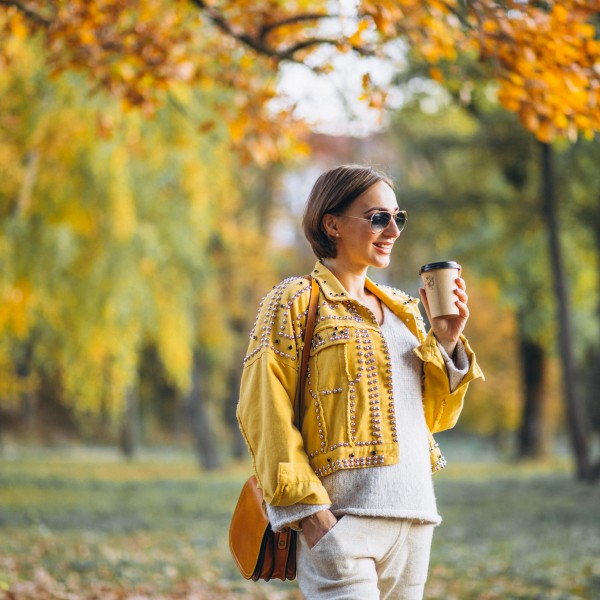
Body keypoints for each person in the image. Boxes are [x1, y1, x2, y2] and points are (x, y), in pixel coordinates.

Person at [237, 164, 484, 599]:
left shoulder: (407, 311)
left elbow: (432, 418)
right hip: (342, 528)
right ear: (331, 223)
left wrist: (445, 340)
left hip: (414, 522)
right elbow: (264, 411)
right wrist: (311, 517)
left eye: (397, 217)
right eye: (377, 218)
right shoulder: (294, 300)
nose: (392, 229)